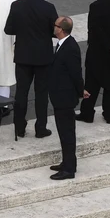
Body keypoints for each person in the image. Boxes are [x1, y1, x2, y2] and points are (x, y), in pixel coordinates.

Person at [4, 0, 56, 139]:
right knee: (41, 94)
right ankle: (41, 128)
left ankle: (19, 127)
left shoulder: (17, 5)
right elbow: (54, 31)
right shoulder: (49, 8)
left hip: (23, 56)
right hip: (43, 57)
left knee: (21, 92)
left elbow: (8, 29)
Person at [45, 16, 82, 179]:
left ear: (61, 29)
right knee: (63, 131)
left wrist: (81, 91)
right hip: (60, 95)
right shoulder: (63, 45)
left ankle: (69, 169)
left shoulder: (70, 47)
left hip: (65, 97)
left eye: (56, 25)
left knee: (67, 133)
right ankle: (66, 162)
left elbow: (76, 73)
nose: (54, 27)